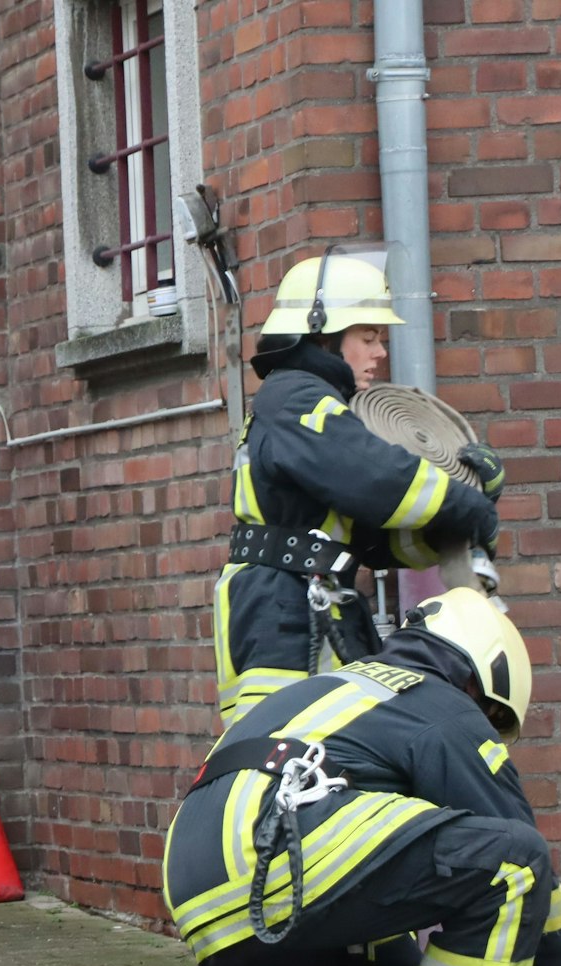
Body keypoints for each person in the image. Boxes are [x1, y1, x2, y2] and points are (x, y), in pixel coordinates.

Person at [46, 588, 561, 966]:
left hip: (203, 879)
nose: (488, 733)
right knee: (513, 860)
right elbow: (528, 867)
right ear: (478, 678)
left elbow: (383, 881)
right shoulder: (439, 701)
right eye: (492, 718)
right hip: (285, 851)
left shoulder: (335, 690)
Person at [215, 246, 508, 729]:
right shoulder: (295, 397)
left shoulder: (308, 404)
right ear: (324, 336)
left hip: (308, 598)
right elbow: (378, 478)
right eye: (368, 337)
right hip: (281, 611)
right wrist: (465, 503)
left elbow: (377, 540)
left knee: (332, 751)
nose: (380, 353)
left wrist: (474, 499)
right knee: (285, 757)